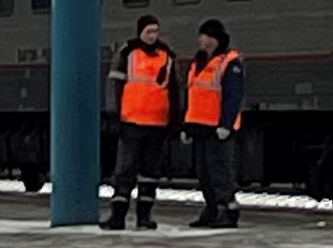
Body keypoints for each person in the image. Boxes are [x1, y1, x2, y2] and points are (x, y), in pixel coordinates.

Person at [101, 14, 176, 230]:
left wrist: (174, 121)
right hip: (131, 121)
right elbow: (114, 85)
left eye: (155, 31)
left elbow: (173, 90)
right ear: (140, 32)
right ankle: (118, 217)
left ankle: (144, 217)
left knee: (149, 174)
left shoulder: (167, 56)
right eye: (148, 31)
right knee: (125, 171)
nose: (152, 36)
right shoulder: (127, 53)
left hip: (156, 123)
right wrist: (114, 115)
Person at [182, 19, 244, 229]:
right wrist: (187, 125)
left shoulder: (229, 63)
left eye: (205, 36)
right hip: (200, 126)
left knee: (220, 171)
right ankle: (212, 209)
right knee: (205, 173)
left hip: (217, 127)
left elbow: (233, 97)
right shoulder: (199, 62)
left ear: (214, 39)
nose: (201, 40)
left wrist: (226, 124)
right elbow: (193, 95)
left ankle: (227, 210)